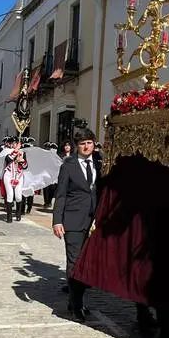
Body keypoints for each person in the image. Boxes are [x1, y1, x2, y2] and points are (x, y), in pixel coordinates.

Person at [52, 129, 98, 321]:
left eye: (89, 142)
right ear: (77, 146)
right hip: (72, 221)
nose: (86, 147)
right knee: (74, 263)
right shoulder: (69, 166)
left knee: (87, 264)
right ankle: (76, 306)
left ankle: (75, 300)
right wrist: (57, 220)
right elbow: (60, 194)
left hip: (93, 222)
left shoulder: (100, 164)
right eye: (82, 144)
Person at [2, 140, 27, 223]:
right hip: (8, 175)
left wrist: (22, 161)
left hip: (19, 176)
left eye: (16, 143)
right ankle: (9, 217)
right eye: (13, 143)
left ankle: (18, 213)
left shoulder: (22, 152)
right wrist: (15, 151)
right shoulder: (7, 151)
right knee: (10, 195)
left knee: (18, 197)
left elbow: (26, 166)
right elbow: (8, 159)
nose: (14, 144)